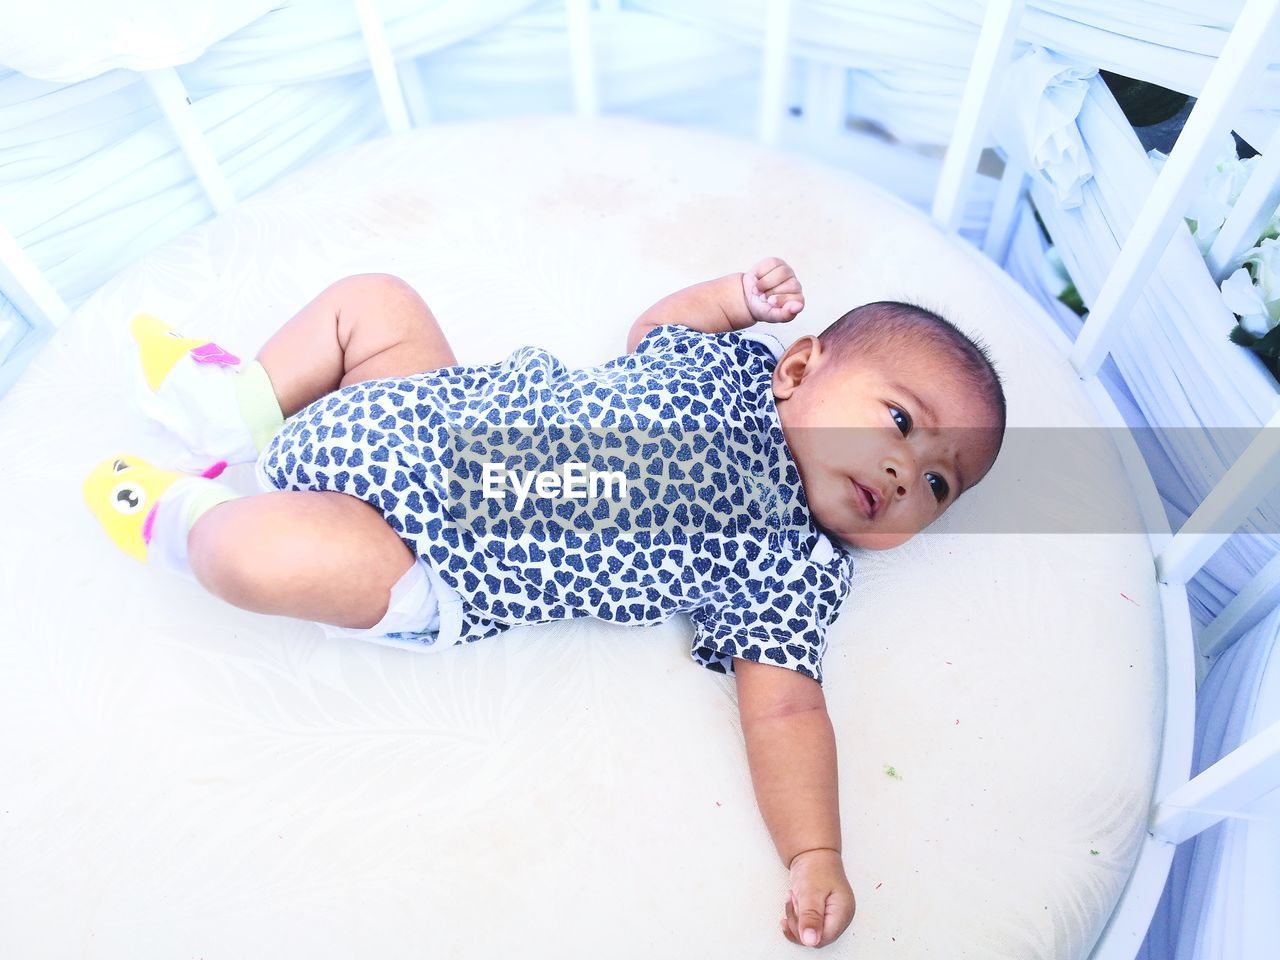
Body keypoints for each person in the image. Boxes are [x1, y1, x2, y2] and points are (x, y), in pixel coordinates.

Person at [84, 260, 1005, 949]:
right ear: (799, 369)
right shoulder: (734, 370)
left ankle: (183, 513)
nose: (903, 470)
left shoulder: (792, 567)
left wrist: (815, 850)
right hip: (421, 404)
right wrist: (733, 297)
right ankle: (236, 407)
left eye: (938, 481)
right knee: (378, 301)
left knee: (254, 554)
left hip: (436, 552)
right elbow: (658, 327)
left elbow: (789, 708)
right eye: (898, 421)